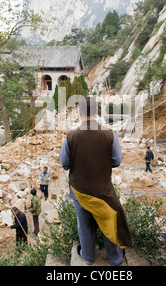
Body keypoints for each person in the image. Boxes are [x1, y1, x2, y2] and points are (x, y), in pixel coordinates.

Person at [59, 96, 132, 266]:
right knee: (108, 220)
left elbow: (64, 163)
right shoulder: (109, 134)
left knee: (84, 225)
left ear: (80, 111)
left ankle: (88, 256)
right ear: (97, 111)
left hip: (80, 190)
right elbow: (117, 160)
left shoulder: (71, 136)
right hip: (103, 189)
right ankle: (115, 259)